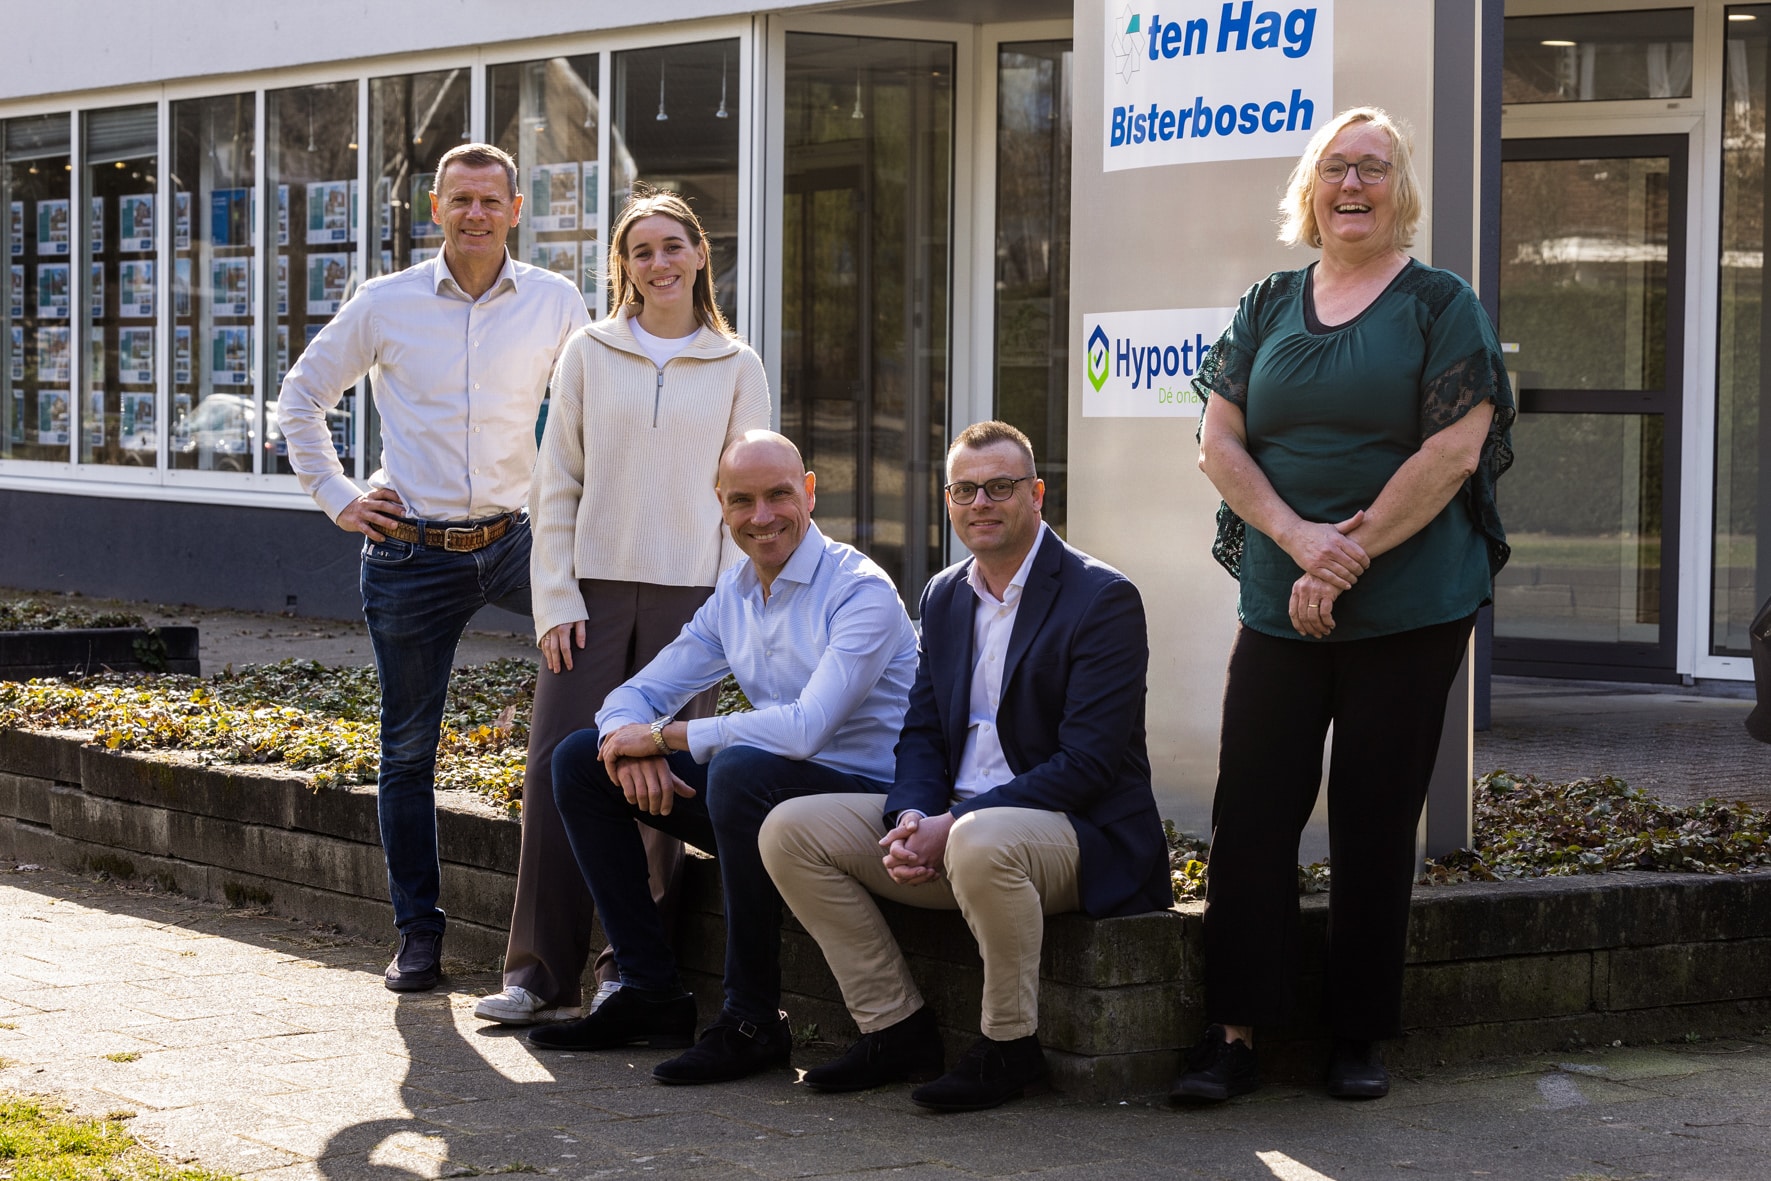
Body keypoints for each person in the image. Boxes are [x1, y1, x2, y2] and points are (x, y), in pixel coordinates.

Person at [1173, 107, 1515, 1103]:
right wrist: (1297, 542)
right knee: (1250, 813)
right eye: (1335, 167)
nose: (1352, 182)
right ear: (1310, 190)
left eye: (1373, 166)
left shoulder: (1439, 303)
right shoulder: (1268, 302)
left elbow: (1452, 449)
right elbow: (1217, 442)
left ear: (1400, 190)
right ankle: (1232, 1031)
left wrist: (1344, 555)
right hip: (1282, 598)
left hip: (1407, 604)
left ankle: (1356, 1034)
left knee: (1373, 819)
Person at [759, 421, 1172, 1113]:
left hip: (1076, 835)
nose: (981, 502)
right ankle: (895, 1027)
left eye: (1000, 486)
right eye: (964, 489)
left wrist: (954, 822)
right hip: (963, 829)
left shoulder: (1101, 598)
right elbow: (921, 731)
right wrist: (912, 816)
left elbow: (1089, 763)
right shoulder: (944, 595)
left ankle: (1009, 1046)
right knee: (789, 828)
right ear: (947, 500)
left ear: (1036, 495)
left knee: (982, 838)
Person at [276, 143, 590, 993]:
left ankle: (602, 937)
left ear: (516, 209)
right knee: (408, 752)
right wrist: (339, 496)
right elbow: (301, 398)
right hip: (410, 552)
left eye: (491, 200)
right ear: (436, 208)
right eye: (460, 200)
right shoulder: (386, 302)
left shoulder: (557, 301)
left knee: (604, 687)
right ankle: (418, 934)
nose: (476, 214)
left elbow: (596, 405)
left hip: (519, 540)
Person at [527, 430, 920, 1089]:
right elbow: (634, 694)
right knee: (578, 760)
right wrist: (630, 740)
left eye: (778, 495)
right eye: (742, 500)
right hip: (770, 799)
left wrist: (665, 739)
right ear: (721, 504)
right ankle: (650, 990)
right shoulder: (733, 597)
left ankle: (751, 1018)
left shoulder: (860, 591)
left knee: (740, 769)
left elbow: (804, 728)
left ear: (810, 492)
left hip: (866, 806)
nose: (761, 516)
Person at [472, 190, 770, 1028]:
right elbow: (554, 480)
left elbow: (746, 497)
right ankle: (536, 973)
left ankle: (628, 974)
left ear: (700, 253)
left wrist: (723, 613)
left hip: (692, 601)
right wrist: (554, 597)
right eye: (640, 251)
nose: (658, 263)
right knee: (559, 771)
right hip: (591, 596)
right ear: (622, 266)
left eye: (672, 245)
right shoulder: (588, 353)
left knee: (657, 784)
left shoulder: (735, 364)